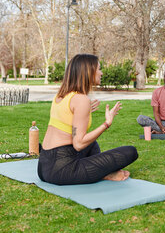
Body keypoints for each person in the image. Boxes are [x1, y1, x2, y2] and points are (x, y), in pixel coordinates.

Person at [38, 54, 138, 185]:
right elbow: (78, 144)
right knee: (131, 152)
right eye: (99, 69)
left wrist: (84, 111)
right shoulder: (81, 99)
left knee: (92, 143)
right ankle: (104, 172)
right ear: (89, 72)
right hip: (62, 170)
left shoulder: (61, 95)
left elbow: (65, 122)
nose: (101, 73)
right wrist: (106, 123)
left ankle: (103, 172)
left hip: (44, 166)